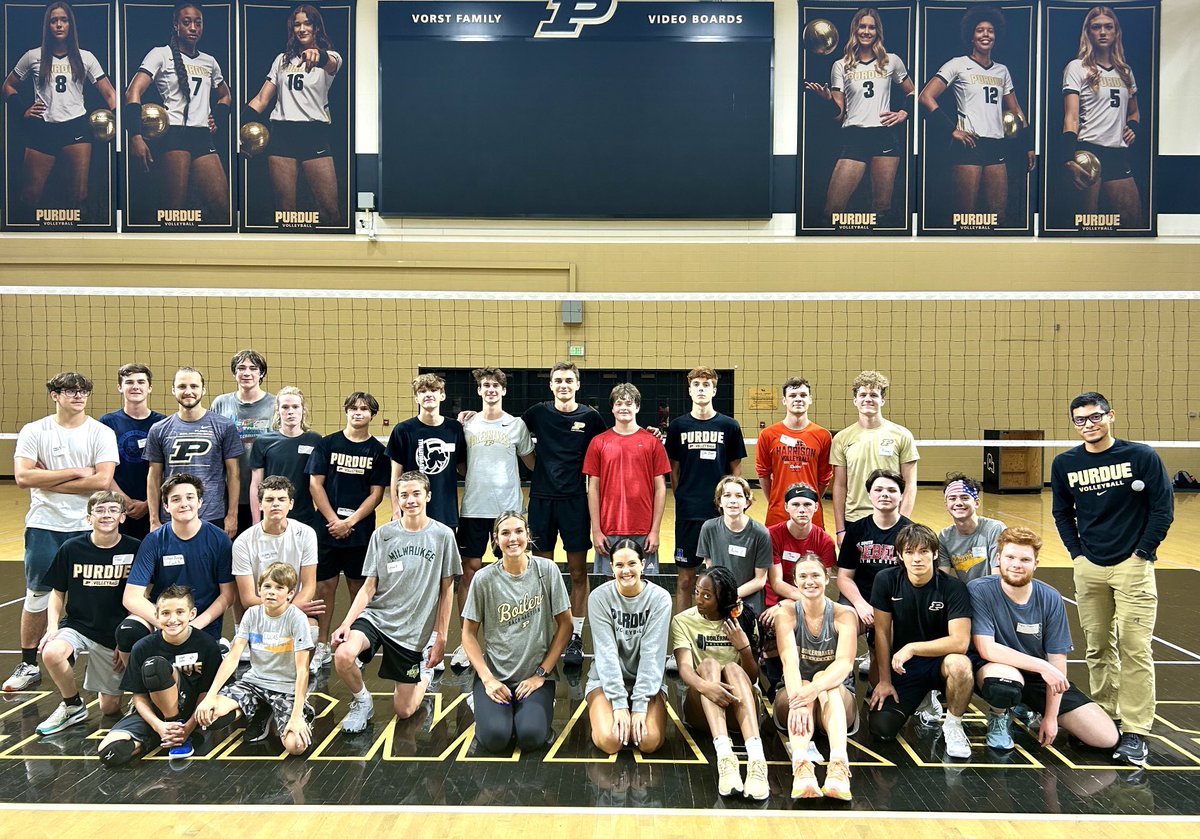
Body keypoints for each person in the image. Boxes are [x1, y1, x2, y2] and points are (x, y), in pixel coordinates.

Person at [1051, 391, 1173, 766]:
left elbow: (1162, 509)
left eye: (1095, 417)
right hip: (1089, 567)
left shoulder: (1141, 456)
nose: (1088, 425)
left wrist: (1142, 553)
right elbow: (1061, 512)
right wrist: (1078, 555)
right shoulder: (1065, 463)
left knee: (1135, 648)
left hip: (1133, 565)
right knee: (1097, 646)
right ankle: (1105, 714)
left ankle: (1137, 731)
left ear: (1111, 416)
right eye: (1080, 420)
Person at [6, 371, 118, 693]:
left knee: (94, 594)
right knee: (37, 594)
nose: (78, 395)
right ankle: (29, 664)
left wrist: (50, 477)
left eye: (83, 390)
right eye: (70, 390)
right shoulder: (34, 430)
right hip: (45, 525)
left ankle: (89, 657)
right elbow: (24, 478)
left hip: (88, 526)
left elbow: (101, 482)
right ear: (55, 395)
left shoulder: (101, 432)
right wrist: (74, 472)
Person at [968, 526, 1121, 755]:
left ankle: (1029, 706)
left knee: (1106, 738)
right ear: (998, 559)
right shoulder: (980, 590)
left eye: (1025, 559)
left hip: (1039, 678)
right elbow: (987, 648)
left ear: (1036, 564)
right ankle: (1000, 718)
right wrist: (1042, 666)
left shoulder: (1050, 597)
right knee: (1004, 683)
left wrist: (1051, 717)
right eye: (1010, 557)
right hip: (998, 670)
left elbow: (1057, 660)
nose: (1017, 564)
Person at [330, 471, 460, 732]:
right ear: (396, 500)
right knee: (344, 655)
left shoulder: (443, 535)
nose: (410, 500)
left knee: (405, 710)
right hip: (377, 617)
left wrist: (441, 637)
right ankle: (362, 701)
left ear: (428, 496)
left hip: (412, 632)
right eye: (404, 495)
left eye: (416, 494)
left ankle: (423, 673)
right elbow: (369, 587)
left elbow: (447, 590)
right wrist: (347, 622)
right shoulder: (383, 535)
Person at [461, 512, 572, 753]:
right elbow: (468, 634)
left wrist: (542, 673)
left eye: (519, 531)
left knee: (531, 737)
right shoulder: (484, 578)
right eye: (505, 533)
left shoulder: (547, 570)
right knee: (495, 739)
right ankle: (480, 701)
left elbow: (566, 625)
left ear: (528, 535)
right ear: (495, 539)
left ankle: (536, 706)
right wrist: (488, 679)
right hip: (495, 676)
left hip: (534, 677)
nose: (513, 538)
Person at [0, 1, 117, 220]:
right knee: (30, 196)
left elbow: (110, 93)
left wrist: (120, 122)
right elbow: (7, 86)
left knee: (78, 197)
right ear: (48, 26)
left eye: (64, 20)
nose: (59, 25)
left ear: (71, 25)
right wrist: (21, 109)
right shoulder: (33, 56)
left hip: (76, 128)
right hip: (43, 129)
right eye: (54, 21)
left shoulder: (86, 57)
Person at [34, 491, 139, 735]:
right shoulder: (72, 548)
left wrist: (125, 639)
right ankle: (72, 705)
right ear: (88, 518)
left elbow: (144, 594)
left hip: (112, 634)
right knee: (51, 652)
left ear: (123, 517)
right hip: (78, 626)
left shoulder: (135, 548)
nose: (106, 515)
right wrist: (52, 629)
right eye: (100, 510)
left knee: (110, 708)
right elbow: (57, 592)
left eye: (113, 510)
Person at [918, 5, 1036, 221]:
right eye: (980, 30)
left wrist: (1028, 145)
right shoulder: (958, 64)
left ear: (995, 36)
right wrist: (951, 129)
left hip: (997, 145)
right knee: (965, 217)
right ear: (971, 36)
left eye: (990, 31)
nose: (985, 34)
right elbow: (925, 96)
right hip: (969, 144)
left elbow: (1015, 110)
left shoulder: (1002, 70)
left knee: (997, 217)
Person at [522, 363, 606, 667]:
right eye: (558, 380)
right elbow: (510, 431)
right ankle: (546, 632)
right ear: (551, 385)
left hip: (575, 502)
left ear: (578, 384)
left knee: (578, 572)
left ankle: (575, 635)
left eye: (569, 380)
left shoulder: (590, 417)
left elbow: (607, 446)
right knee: (543, 572)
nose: (563, 385)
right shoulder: (537, 413)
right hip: (542, 500)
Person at [451, 368, 535, 669]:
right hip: (474, 507)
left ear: (503, 390)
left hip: (508, 511)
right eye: (485, 385)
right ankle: (466, 641)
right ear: (479, 390)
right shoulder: (467, 425)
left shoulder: (516, 425)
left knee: (512, 571)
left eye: (496, 385)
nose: (490, 390)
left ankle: (513, 637)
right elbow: (460, 465)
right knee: (470, 571)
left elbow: (531, 462)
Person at [868, 524, 974, 760]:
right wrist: (885, 681)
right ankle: (924, 698)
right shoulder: (886, 580)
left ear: (935, 554)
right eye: (909, 552)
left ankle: (954, 725)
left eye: (924, 551)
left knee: (961, 664)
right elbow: (882, 633)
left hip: (940, 663)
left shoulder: (954, 588)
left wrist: (913, 647)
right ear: (899, 555)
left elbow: (960, 643)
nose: (917, 558)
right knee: (881, 729)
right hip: (905, 667)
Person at [804, 8, 916, 225]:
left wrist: (904, 112)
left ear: (878, 31)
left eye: (871, 27)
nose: (866, 31)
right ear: (854, 29)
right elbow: (839, 115)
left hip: (885, 137)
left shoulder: (891, 61)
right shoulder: (841, 65)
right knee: (833, 210)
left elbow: (912, 91)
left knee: (881, 210)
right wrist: (827, 100)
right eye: (862, 26)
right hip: (854, 138)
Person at [124, 1, 232, 224]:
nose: (193, 27)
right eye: (187, 22)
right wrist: (135, 136)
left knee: (224, 211)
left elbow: (226, 96)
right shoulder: (160, 54)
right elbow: (132, 92)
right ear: (176, 26)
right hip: (174, 136)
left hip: (203, 137)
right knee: (174, 213)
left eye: (198, 23)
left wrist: (216, 119)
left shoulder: (209, 61)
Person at [306, 391, 388, 672]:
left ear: (372, 415)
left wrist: (350, 522)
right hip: (327, 529)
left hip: (360, 531)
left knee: (359, 588)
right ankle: (321, 646)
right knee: (324, 588)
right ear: (346, 411)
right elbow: (315, 485)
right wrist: (333, 521)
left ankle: (355, 642)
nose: (358, 413)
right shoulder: (327, 444)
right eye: (353, 408)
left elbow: (376, 494)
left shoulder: (377, 451)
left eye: (364, 409)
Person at [195, 562, 314, 753]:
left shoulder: (296, 618)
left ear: (290, 593)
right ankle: (262, 710)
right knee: (210, 714)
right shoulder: (251, 614)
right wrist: (210, 696)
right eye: (267, 586)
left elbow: (303, 670)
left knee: (296, 747)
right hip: (254, 683)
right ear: (259, 589)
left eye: (279, 588)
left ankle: (288, 712)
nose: (271, 592)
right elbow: (233, 657)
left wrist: (297, 715)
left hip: (285, 688)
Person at [670, 566, 766, 800]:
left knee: (733, 668)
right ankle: (725, 758)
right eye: (697, 592)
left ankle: (757, 761)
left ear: (722, 598)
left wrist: (743, 647)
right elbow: (683, 668)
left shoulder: (744, 618)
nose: (699, 599)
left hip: (740, 705)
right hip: (702, 707)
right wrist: (707, 687)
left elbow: (752, 678)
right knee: (709, 666)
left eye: (707, 595)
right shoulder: (683, 621)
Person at [98, 585, 222, 765]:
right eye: (165, 613)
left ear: (192, 614)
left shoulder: (206, 644)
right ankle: (162, 736)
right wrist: (158, 726)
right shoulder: (142, 647)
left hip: (190, 712)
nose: (173, 619)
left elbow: (205, 692)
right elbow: (139, 696)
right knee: (110, 752)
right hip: (154, 712)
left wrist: (188, 727)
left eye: (180, 612)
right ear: (156, 615)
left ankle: (177, 731)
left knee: (156, 666)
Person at [241, 4, 343, 225]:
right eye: (297, 24)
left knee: (330, 212)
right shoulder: (282, 60)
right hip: (283, 135)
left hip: (314, 134)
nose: (302, 28)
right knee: (285, 213)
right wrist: (238, 129)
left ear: (316, 28)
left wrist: (319, 55)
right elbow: (260, 100)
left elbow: (330, 62)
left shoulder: (331, 57)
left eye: (307, 23)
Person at [119, 473, 235, 656]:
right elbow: (131, 597)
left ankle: (218, 646)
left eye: (190, 497)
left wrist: (191, 625)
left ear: (200, 502)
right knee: (128, 632)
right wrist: (169, 622)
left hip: (201, 622)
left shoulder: (219, 539)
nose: (184, 503)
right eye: (176, 499)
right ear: (166, 506)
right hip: (163, 621)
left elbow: (228, 596)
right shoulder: (154, 541)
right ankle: (133, 683)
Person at [772, 555, 858, 799]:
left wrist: (815, 688)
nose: (809, 581)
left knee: (824, 678)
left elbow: (844, 664)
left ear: (827, 577)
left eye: (815, 575)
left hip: (835, 699)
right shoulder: (786, 613)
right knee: (805, 682)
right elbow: (789, 661)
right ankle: (801, 767)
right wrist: (798, 698)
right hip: (794, 696)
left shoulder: (844, 614)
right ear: (795, 582)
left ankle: (839, 766)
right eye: (803, 576)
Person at [666, 367, 746, 615]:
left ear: (714, 389)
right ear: (690, 390)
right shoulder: (678, 426)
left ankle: (722, 635)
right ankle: (682, 638)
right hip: (689, 513)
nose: (701, 388)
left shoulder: (729, 426)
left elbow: (736, 471)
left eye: (706, 384)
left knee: (722, 580)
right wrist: (684, 497)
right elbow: (674, 470)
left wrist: (730, 503)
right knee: (685, 581)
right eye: (697, 384)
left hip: (719, 515)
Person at [585, 539, 672, 754]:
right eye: (619, 565)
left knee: (648, 742)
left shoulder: (660, 599)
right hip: (605, 683)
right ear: (611, 567)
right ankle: (601, 713)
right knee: (610, 741)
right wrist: (620, 704)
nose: (626, 571)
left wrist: (640, 705)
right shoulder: (599, 598)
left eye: (632, 564)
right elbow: (606, 654)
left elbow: (652, 655)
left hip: (647, 685)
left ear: (643, 564)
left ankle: (644, 713)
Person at [1061, 6, 1144, 227]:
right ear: (1088, 33)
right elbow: (1071, 117)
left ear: (1116, 32)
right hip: (1089, 152)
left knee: (1133, 223)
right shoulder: (1077, 67)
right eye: (1096, 27)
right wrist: (1069, 159)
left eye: (1108, 27)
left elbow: (1134, 111)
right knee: (1088, 225)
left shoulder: (1125, 71)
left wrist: (1133, 127)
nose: (1103, 32)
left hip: (1117, 153)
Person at [145, 366, 243, 538]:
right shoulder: (158, 429)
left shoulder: (224, 426)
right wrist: (154, 519)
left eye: (194, 386)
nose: (188, 391)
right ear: (173, 390)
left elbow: (233, 474)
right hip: (172, 516)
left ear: (203, 390)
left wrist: (232, 515)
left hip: (213, 515)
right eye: (182, 386)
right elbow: (154, 476)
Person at [583, 382, 671, 573]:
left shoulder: (652, 442)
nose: (624, 407)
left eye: (629, 403)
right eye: (619, 403)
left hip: (644, 531)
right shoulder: (599, 442)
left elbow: (661, 488)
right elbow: (593, 489)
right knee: (609, 586)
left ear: (637, 407)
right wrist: (596, 531)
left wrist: (655, 531)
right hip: (608, 530)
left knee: (643, 586)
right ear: (612, 408)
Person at [761, 484, 837, 689]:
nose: (801, 509)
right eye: (795, 504)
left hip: (805, 599)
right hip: (774, 601)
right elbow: (776, 582)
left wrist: (790, 602)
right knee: (776, 621)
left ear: (816, 508)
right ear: (786, 507)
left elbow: (822, 584)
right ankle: (771, 665)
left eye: (807, 504)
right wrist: (784, 603)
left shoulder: (825, 541)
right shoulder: (772, 535)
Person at [831, 370, 918, 545]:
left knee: (891, 572)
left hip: (891, 519)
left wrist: (903, 523)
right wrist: (840, 529)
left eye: (874, 394)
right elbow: (839, 485)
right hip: (854, 519)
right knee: (853, 572)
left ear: (882, 400)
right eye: (862, 394)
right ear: (855, 401)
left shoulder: (902, 435)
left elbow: (910, 484)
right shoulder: (841, 438)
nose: (868, 399)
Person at [232, 475, 320, 622]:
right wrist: (286, 608)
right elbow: (248, 599)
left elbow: (309, 587)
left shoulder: (306, 534)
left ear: (291, 504)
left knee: (311, 628)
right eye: (269, 499)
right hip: (259, 611)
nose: (276, 504)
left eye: (282, 499)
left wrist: (290, 610)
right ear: (260, 504)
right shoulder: (243, 542)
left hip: (296, 607)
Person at [386, 373, 467, 530]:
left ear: (442, 395)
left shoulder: (454, 428)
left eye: (434, 390)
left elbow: (463, 468)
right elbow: (396, 475)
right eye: (422, 391)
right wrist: (396, 510)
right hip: (412, 510)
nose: (428, 394)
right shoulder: (403, 430)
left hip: (445, 511)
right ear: (416, 398)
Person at [211, 349, 275, 536]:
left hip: (263, 491)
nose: (247, 373)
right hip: (228, 494)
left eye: (253, 368)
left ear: (261, 373)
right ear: (234, 373)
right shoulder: (221, 403)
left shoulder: (275, 404)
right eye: (241, 368)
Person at [99, 363, 166, 540]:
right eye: (129, 382)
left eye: (141, 382)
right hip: (116, 506)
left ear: (149, 387)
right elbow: (101, 469)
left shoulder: (163, 423)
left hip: (154, 508)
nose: (135, 386)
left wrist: (148, 503)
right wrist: (125, 501)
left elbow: (167, 469)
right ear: (120, 387)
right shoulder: (106, 423)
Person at [756, 377, 833, 531]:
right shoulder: (768, 435)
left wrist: (810, 499)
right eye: (792, 395)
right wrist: (776, 501)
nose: (798, 399)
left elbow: (824, 478)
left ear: (810, 399)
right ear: (784, 400)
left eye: (803, 395)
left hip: (811, 514)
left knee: (811, 555)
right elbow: (763, 474)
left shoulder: (823, 435)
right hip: (778, 513)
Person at [698, 475, 772, 615]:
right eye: (727, 495)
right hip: (719, 599)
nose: (733, 501)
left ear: (747, 502)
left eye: (739, 496)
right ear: (719, 502)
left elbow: (760, 580)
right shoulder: (708, 528)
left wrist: (731, 596)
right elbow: (711, 569)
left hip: (748, 604)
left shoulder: (761, 533)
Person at [249, 385, 322, 526]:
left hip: (306, 517)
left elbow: (321, 484)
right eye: (285, 407)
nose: (291, 412)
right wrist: (256, 521)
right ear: (278, 410)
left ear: (303, 410)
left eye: (295, 406)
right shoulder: (263, 442)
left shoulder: (315, 441)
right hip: (272, 517)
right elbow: (255, 484)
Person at [938, 473, 1005, 581]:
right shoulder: (945, 536)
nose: (958, 503)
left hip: (990, 593)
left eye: (964, 498)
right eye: (952, 498)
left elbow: (997, 578)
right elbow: (942, 577)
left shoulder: (994, 529)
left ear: (976, 503)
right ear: (946, 505)